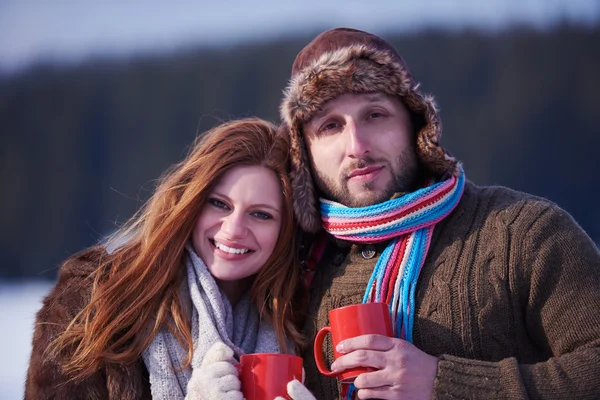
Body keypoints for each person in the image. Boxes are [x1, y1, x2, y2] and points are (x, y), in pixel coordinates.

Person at [278, 27, 600, 399]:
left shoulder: (522, 231)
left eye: (375, 114)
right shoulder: (289, 265)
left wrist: (443, 383)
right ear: (305, 149)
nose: (357, 146)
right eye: (331, 126)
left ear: (415, 124)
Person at [25, 118, 314, 400]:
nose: (234, 229)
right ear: (190, 202)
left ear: (285, 230)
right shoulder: (92, 302)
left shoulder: (301, 321)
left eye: (261, 214)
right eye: (219, 204)